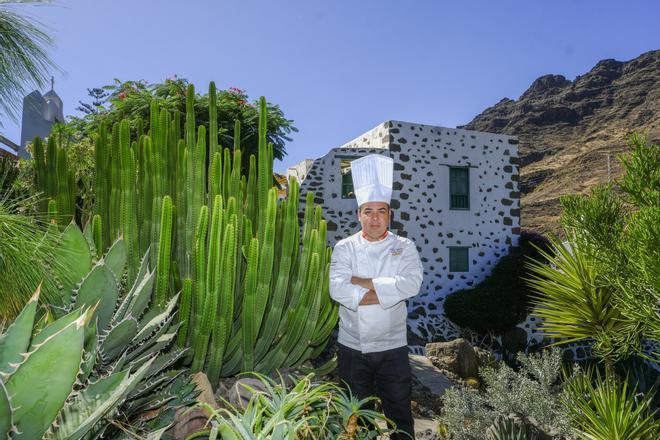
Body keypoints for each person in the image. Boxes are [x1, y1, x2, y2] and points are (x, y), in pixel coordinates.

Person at [329, 154, 424, 439]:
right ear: (358, 215)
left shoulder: (404, 246)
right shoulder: (344, 248)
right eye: (368, 211)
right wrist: (386, 291)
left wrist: (360, 283)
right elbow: (337, 288)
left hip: (392, 347)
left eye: (381, 211)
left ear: (389, 215)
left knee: (399, 416)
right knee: (357, 417)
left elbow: (412, 285)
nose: (374, 218)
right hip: (352, 348)